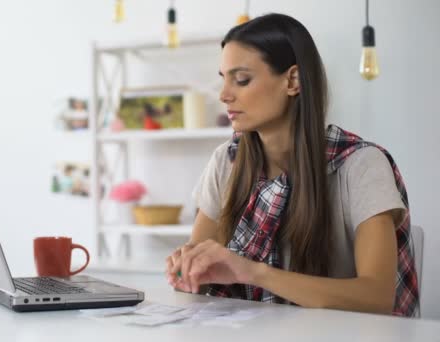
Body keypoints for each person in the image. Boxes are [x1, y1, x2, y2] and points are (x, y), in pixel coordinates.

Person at [165, 13, 419, 317]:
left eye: (242, 79)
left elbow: (376, 298)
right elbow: (198, 277)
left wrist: (252, 272)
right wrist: (188, 270)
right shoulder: (226, 161)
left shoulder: (362, 165)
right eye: (224, 79)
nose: (224, 95)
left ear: (293, 80)